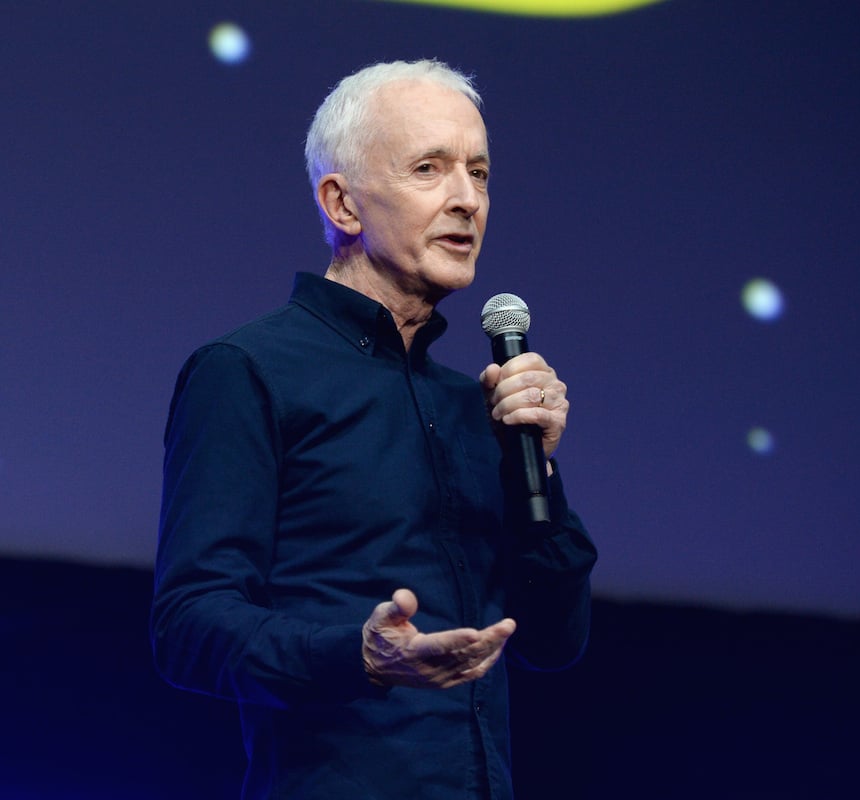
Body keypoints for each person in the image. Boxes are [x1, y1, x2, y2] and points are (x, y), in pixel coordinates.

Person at [150, 59, 597, 800]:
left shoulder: (476, 408)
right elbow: (188, 626)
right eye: (429, 169)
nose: (467, 200)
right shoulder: (249, 371)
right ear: (343, 203)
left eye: (479, 174)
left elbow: (554, 643)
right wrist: (357, 656)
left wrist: (539, 468)